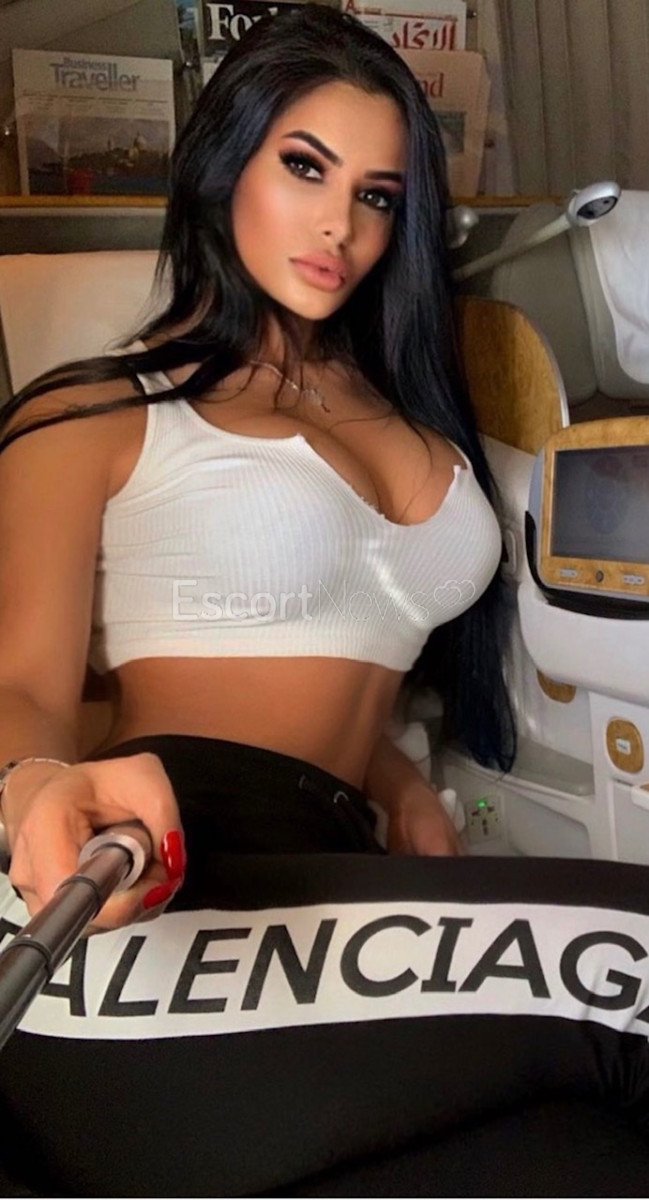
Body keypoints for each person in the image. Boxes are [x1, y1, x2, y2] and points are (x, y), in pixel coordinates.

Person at [1, 7, 649, 1198]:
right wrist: (31, 785)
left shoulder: (415, 406)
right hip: (150, 898)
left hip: (344, 896)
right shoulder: (95, 413)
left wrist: (393, 780)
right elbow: (25, 684)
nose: (340, 225)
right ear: (223, 163)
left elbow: (340, 633)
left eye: (377, 195)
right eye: (305, 167)